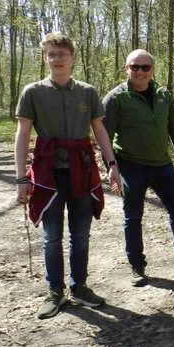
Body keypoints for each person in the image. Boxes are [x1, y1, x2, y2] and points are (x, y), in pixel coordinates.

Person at [15, 31, 121, 319]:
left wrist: (112, 164)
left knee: (81, 234)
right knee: (51, 237)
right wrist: (21, 179)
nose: (57, 59)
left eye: (62, 54)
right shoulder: (33, 92)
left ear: (72, 58)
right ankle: (55, 292)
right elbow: (23, 134)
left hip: (82, 171)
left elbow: (99, 130)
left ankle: (80, 287)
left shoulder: (87, 92)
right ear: (45, 57)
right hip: (47, 174)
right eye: (52, 54)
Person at [102, 49, 174, 287]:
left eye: (145, 67)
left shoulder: (163, 95)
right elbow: (103, 136)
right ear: (126, 69)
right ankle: (137, 265)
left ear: (152, 70)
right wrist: (112, 167)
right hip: (130, 165)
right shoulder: (115, 99)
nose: (140, 72)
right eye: (134, 67)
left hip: (162, 164)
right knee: (133, 217)